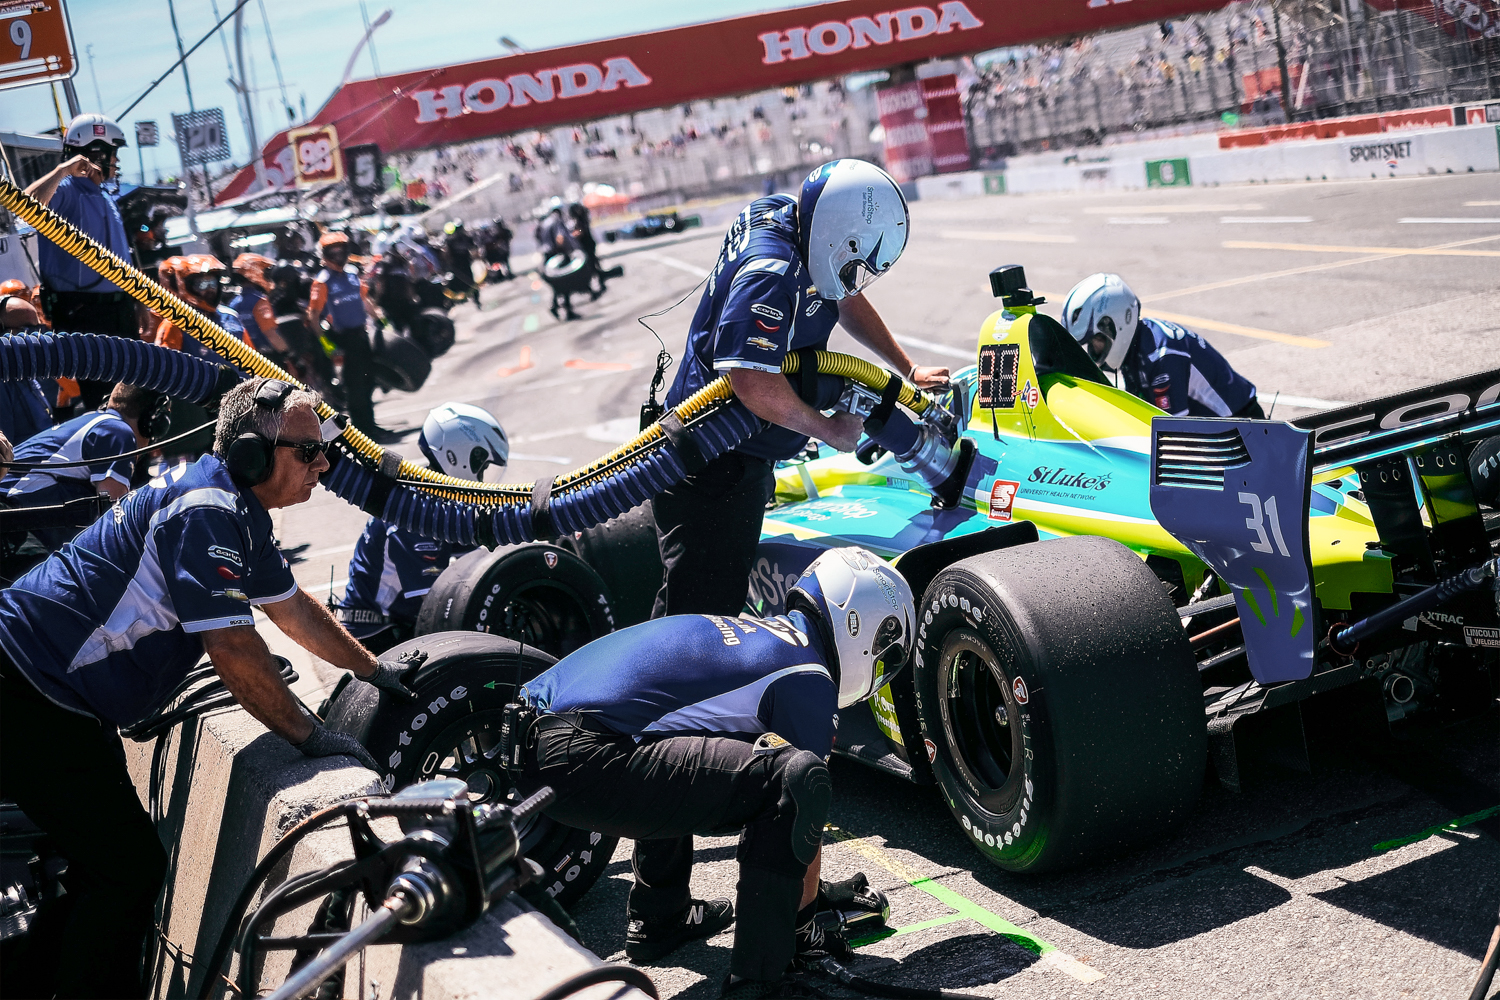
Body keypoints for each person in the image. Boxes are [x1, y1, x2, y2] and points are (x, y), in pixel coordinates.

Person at [0, 377, 421, 998]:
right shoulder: (207, 509)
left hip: (51, 693)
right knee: (127, 873)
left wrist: (375, 670)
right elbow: (233, 648)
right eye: (307, 452)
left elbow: (293, 609)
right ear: (252, 454)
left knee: (110, 869)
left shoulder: (232, 507)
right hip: (29, 687)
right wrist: (313, 736)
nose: (323, 464)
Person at [513, 546, 913, 999]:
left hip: (530, 734)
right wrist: (804, 923)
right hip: (583, 756)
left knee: (679, 736)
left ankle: (662, 916)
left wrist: (813, 893)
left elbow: (679, 738)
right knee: (795, 781)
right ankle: (763, 979)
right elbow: (801, 808)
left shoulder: (760, 633)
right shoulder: (808, 675)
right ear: (858, 624)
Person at [653, 158, 948, 619]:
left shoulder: (794, 219)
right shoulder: (769, 273)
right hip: (714, 458)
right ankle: (673, 691)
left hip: (731, 449)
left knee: (693, 598)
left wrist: (907, 368)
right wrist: (828, 431)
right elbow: (751, 381)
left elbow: (844, 295)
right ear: (836, 237)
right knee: (701, 616)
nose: (855, 274)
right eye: (855, 261)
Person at [337, 403, 508, 653]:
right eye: (481, 464)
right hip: (377, 633)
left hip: (398, 617)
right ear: (457, 456)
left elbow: (476, 551)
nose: (482, 475)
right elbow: (432, 606)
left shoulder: (434, 495)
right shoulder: (413, 514)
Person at [24, 114, 134, 408]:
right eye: (112, 153)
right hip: (83, 314)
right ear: (94, 153)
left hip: (119, 310)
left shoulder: (103, 194)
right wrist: (62, 170)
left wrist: (138, 301)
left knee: (134, 394)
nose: (115, 160)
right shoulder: (67, 189)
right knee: (104, 399)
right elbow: (25, 205)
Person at [1061, 273, 1263, 418]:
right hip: (1216, 427)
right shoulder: (1135, 348)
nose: (1093, 350)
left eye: (1096, 340)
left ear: (1116, 323)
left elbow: (1173, 435)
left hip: (1241, 425)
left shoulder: (1162, 357)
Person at [0, 383, 167, 550]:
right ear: (151, 422)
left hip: (15, 518)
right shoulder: (117, 431)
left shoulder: (95, 422)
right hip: (12, 519)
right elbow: (116, 518)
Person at [307, 232, 389, 440]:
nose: (338, 254)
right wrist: (325, 343)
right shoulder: (322, 282)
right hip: (342, 339)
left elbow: (365, 300)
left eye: (341, 250)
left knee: (368, 382)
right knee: (355, 388)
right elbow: (313, 315)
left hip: (362, 336)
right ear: (325, 254)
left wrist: (379, 318)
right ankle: (362, 432)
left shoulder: (352, 274)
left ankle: (371, 425)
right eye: (333, 251)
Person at [230, 253, 295, 362]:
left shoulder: (233, 304)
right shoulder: (260, 301)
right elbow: (271, 334)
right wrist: (291, 356)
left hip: (248, 360)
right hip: (269, 360)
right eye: (264, 272)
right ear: (255, 273)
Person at [443, 219, 480, 309]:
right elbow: (447, 253)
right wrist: (448, 264)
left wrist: (476, 258)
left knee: (470, 282)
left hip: (466, 263)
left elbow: (474, 249)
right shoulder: (450, 240)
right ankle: (455, 301)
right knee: (456, 284)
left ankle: (476, 300)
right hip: (456, 265)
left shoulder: (467, 238)